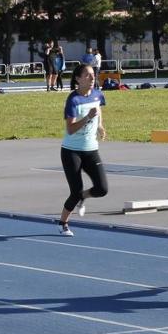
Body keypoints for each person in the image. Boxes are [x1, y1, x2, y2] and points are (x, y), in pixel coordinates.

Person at [57, 63, 108, 236]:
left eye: (93, 74)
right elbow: (70, 129)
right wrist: (87, 117)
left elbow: (98, 109)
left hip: (91, 149)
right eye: (87, 75)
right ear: (78, 79)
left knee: (102, 189)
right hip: (71, 151)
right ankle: (63, 222)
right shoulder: (73, 100)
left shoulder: (97, 94)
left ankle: (84, 197)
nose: (93, 78)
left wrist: (100, 125)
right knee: (75, 191)